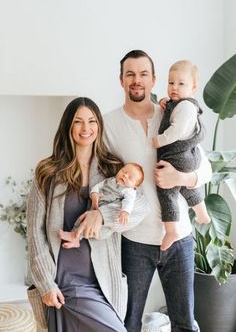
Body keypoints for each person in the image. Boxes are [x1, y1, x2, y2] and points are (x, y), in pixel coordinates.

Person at [102, 50, 212, 332]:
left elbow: (206, 168)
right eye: (130, 74)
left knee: (184, 322)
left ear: (153, 80)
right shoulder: (108, 124)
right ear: (121, 80)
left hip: (181, 240)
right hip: (134, 241)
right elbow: (100, 177)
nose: (136, 80)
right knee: (128, 322)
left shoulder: (175, 113)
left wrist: (182, 177)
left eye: (142, 74)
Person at [26, 97, 148, 332]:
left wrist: (102, 215)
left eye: (92, 121)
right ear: (68, 127)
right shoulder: (47, 173)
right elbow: (35, 234)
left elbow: (141, 206)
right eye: (78, 122)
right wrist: (45, 284)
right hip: (65, 282)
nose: (86, 128)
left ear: (99, 126)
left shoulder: (113, 169)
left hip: (104, 282)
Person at [152, 60, 211, 250]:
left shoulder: (186, 107)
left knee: (166, 190)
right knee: (185, 187)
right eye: (171, 83)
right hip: (186, 157)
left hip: (178, 155)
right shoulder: (179, 104)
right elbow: (172, 110)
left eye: (181, 84)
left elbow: (176, 131)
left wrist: (159, 140)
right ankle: (201, 213)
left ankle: (171, 230)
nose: (174, 87)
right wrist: (164, 102)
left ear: (193, 87)